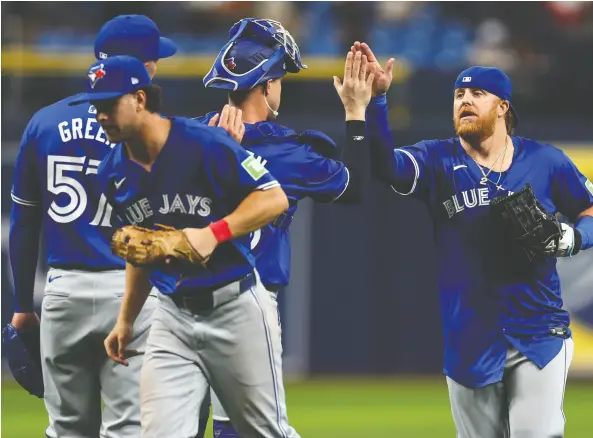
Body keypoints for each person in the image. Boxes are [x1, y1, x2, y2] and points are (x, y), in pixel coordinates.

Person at [354, 41, 593, 437]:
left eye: (476, 93)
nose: (464, 101)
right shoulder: (437, 159)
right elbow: (386, 167)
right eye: (458, 94)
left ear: (503, 106)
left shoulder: (545, 160)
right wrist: (377, 104)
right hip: (469, 336)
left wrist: (573, 238)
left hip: (538, 330)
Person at [77, 54, 294, 438]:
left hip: (236, 308)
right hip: (172, 316)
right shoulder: (112, 172)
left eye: (110, 105)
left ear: (140, 99)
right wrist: (126, 320)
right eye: (96, 107)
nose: (101, 116)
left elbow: (273, 199)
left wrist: (215, 232)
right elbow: (142, 249)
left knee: (264, 432)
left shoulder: (204, 143)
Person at [197, 17, 374, 438]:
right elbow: (353, 187)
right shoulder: (287, 151)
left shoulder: (189, 136)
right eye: (279, 79)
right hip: (247, 303)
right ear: (266, 85)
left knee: (183, 426)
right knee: (259, 430)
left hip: (179, 303)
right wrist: (356, 110)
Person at [8, 15, 177, 438]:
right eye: (153, 58)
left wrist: (22, 306)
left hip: (64, 292)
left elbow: (25, 221)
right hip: (132, 293)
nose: (157, 66)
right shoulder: (151, 128)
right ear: (139, 66)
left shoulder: (43, 122)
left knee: (66, 429)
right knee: (128, 429)